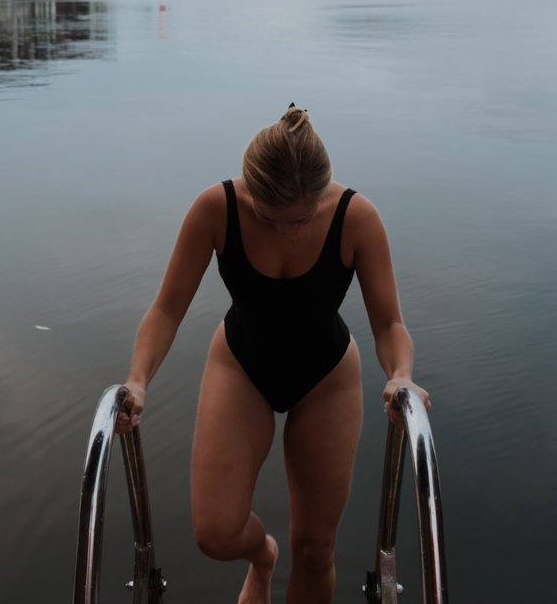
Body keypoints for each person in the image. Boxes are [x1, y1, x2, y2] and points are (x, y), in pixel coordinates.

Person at [117, 104, 430, 604]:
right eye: (269, 218)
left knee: (314, 546)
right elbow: (166, 311)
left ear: (321, 196)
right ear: (250, 191)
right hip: (241, 365)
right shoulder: (215, 209)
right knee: (216, 533)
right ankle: (262, 556)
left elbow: (390, 324)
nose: (286, 231)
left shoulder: (357, 218)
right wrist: (137, 380)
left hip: (326, 376)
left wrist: (401, 374)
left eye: (300, 219)